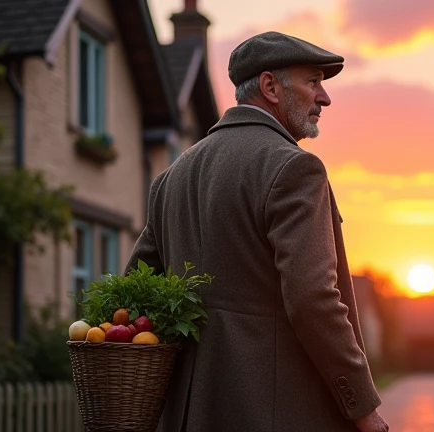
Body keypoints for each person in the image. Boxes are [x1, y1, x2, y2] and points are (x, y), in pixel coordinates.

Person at [125, 31, 389, 432]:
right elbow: (313, 299)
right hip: (275, 415)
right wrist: (363, 408)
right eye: (313, 81)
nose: (325, 97)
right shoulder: (295, 168)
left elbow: (135, 295)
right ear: (270, 87)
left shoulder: (170, 180)